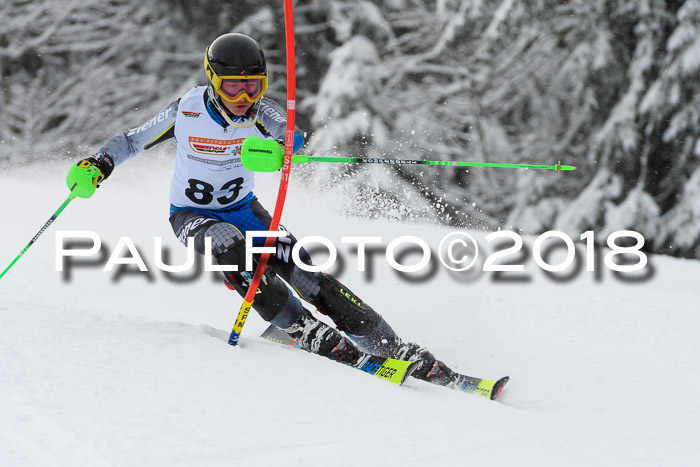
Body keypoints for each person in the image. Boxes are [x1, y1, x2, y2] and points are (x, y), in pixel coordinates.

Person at [69, 33, 460, 386]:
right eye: (234, 87)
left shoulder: (260, 112)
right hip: (191, 215)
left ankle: (387, 343)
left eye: (253, 87)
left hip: (244, 209)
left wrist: (284, 148)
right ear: (213, 81)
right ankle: (300, 328)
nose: (244, 98)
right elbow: (133, 140)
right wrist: (99, 163)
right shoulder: (186, 111)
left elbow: (290, 133)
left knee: (306, 274)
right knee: (233, 248)